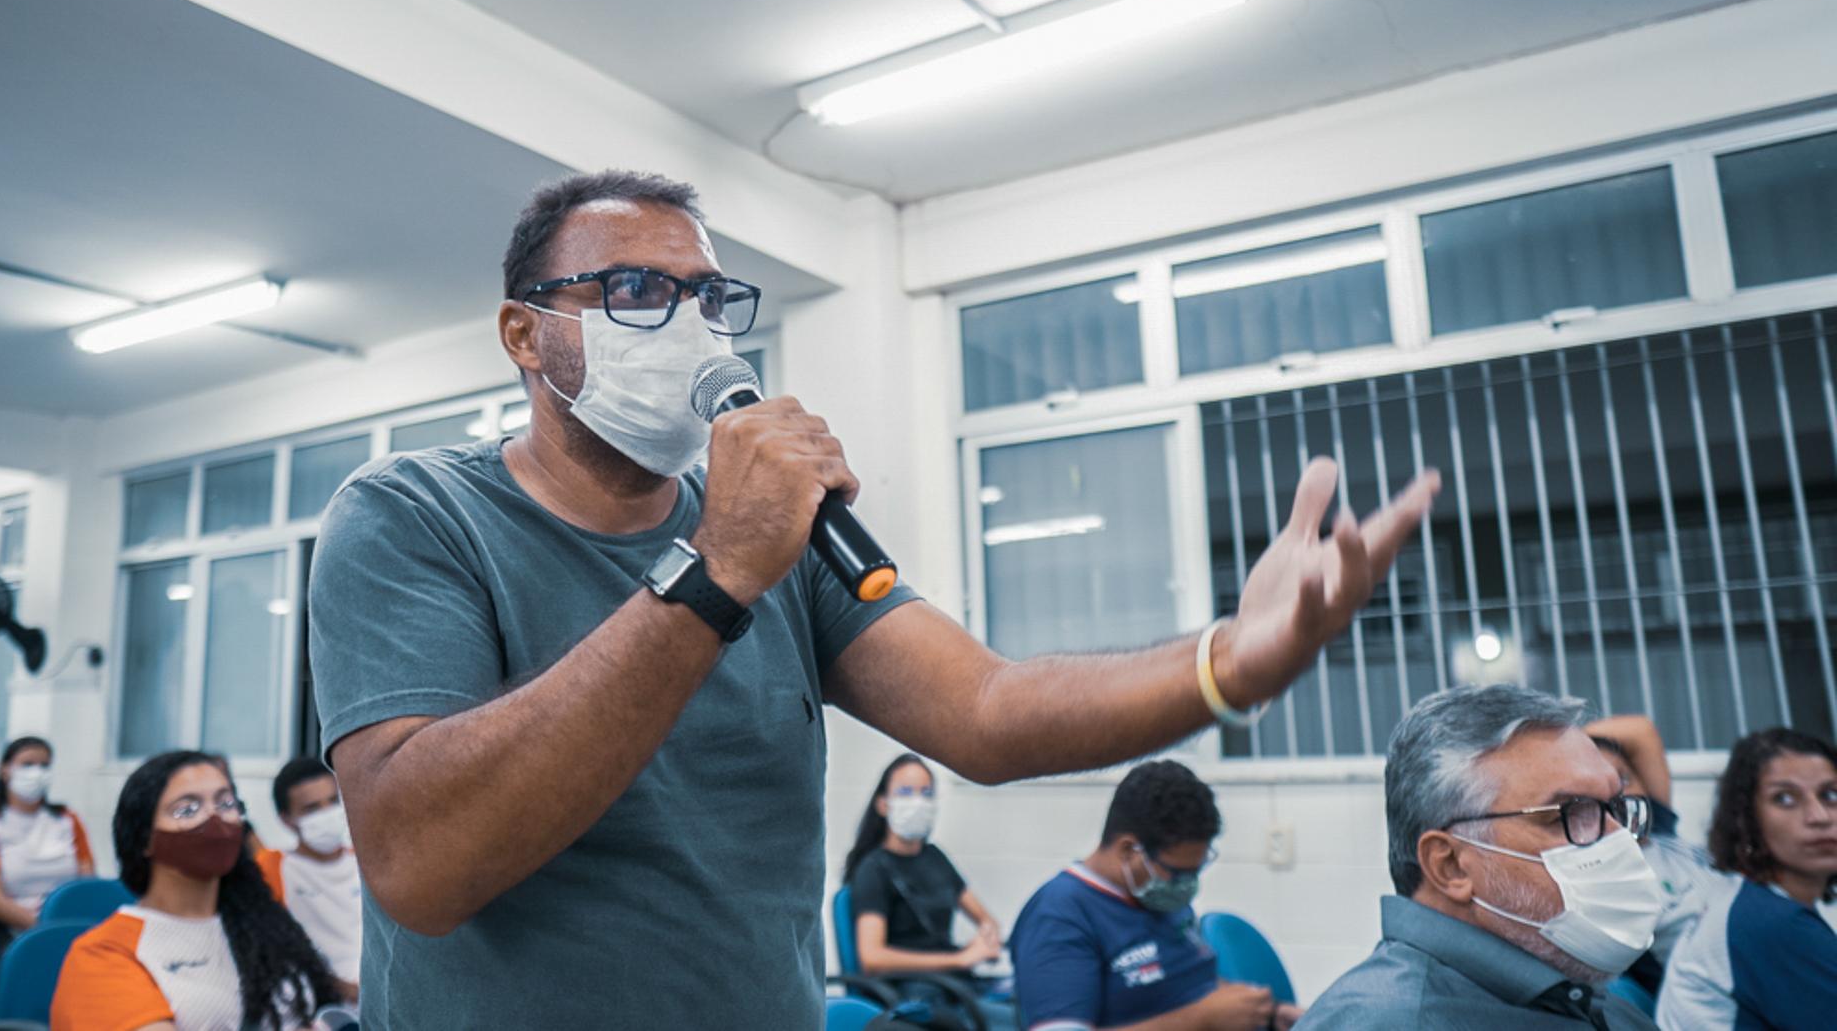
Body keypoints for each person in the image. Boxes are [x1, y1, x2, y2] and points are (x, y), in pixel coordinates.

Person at [309, 168, 1439, 1026]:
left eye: (710, 298)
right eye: (637, 290)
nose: (690, 326)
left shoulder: (774, 531)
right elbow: (422, 866)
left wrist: (1228, 662)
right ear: (524, 332)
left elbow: (988, 711)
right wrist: (717, 568)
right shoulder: (414, 515)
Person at [1296, 685, 1659, 1029]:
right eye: (1568, 813)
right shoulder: (1393, 1021)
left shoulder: (1574, 997)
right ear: (1450, 867)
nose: (1618, 838)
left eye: (1614, 807)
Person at [50, 751, 340, 1031]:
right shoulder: (102, 955)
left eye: (226, 803)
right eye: (187, 809)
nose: (214, 818)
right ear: (144, 837)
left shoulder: (260, 923)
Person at [1009, 759, 1298, 1031]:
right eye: (1177, 873)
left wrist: (1261, 1011)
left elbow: (1187, 982)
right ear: (1128, 851)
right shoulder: (1060, 916)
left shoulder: (1157, 898)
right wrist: (1201, 1018)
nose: (1187, 885)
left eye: (1195, 872)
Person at [1656, 727, 1837, 1031]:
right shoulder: (1771, 923)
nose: (1819, 816)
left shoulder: (1744, 899)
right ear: (1746, 818)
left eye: (1830, 795)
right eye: (1785, 799)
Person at [840, 754, 1014, 1030]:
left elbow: (985, 919)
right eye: (906, 792)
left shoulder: (934, 857)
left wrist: (987, 939)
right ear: (883, 803)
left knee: (1030, 1007)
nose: (917, 801)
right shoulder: (873, 870)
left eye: (926, 793)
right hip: (916, 993)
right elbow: (872, 959)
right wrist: (959, 959)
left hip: (955, 985)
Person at [1584, 714, 1733, 994]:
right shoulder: (1595, 876)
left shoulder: (1659, 827)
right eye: (1595, 787)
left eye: (1623, 778)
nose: (1617, 795)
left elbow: (1640, 730)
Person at [0, 735, 95, 944]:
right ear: (4, 770)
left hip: (69, 926)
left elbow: (86, 883)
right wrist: (45, 930)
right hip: (4, 931)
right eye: (27, 764)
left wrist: (71, 929)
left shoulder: (68, 819)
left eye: (44, 765)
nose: (37, 773)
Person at [255, 757, 362, 1005]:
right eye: (312, 809)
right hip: (315, 1004)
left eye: (333, 801)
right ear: (286, 819)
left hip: (381, 998)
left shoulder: (366, 861)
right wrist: (336, 987)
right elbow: (271, 948)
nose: (327, 814)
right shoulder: (272, 868)